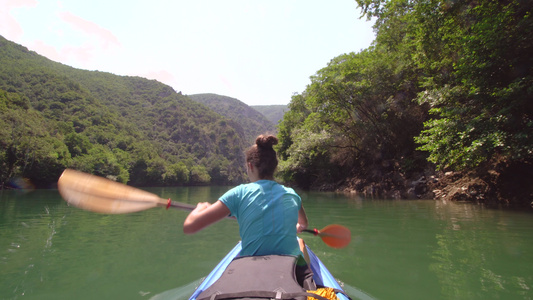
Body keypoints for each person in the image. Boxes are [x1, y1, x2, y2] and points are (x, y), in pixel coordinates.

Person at [183, 134, 313, 287]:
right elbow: (303, 224)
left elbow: (190, 226)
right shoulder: (292, 194)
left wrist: (200, 208)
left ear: (250, 166)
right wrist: (297, 227)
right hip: (292, 270)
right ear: (275, 167)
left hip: (252, 271)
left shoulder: (239, 193)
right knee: (300, 248)